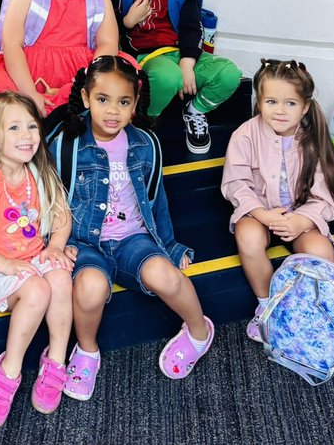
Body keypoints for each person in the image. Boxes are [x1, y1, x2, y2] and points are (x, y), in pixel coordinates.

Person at [50, 55, 214, 394]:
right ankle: (87, 350)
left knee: (166, 275)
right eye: (102, 100)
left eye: (123, 102)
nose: (113, 111)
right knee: (90, 287)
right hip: (82, 242)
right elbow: (48, 198)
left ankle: (199, 331)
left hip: (132, 239)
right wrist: (51, 243)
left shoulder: (145, 144)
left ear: (135, 103)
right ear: (85, 98)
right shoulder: (66, 144)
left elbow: (157, 199)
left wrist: (169, 246)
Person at [0, 93, 74, 428]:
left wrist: (56, 247)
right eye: (14, 128)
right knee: (37, 290)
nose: (27, 135)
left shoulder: (39, 173)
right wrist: (7, 266)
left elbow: (61, 216)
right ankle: (9, 371)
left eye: (32, 126)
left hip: (33, 258)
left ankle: (55, 362)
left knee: (61, 277)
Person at [222, 58, 334, 338]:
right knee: (248, 237)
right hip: (259, 214)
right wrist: (263, 214)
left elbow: (324, 195)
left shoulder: (312, 139)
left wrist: (301, 220)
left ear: (304, 106)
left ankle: (329, 313)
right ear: (259, 102)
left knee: (319, 250)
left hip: (299, 215)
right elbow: (236, 185)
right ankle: (268, 307)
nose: (280, 111)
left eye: (290, 103)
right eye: (271, 102)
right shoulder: (244, 135)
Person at [106, 0, 241, 155]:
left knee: (230, 74)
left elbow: (192, 27)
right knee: (168, 78)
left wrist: (187, 64)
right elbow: (104, 24)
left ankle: (195, 111)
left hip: (183, 55)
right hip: (148, 59)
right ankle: (145, 124)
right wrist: (127, 22)